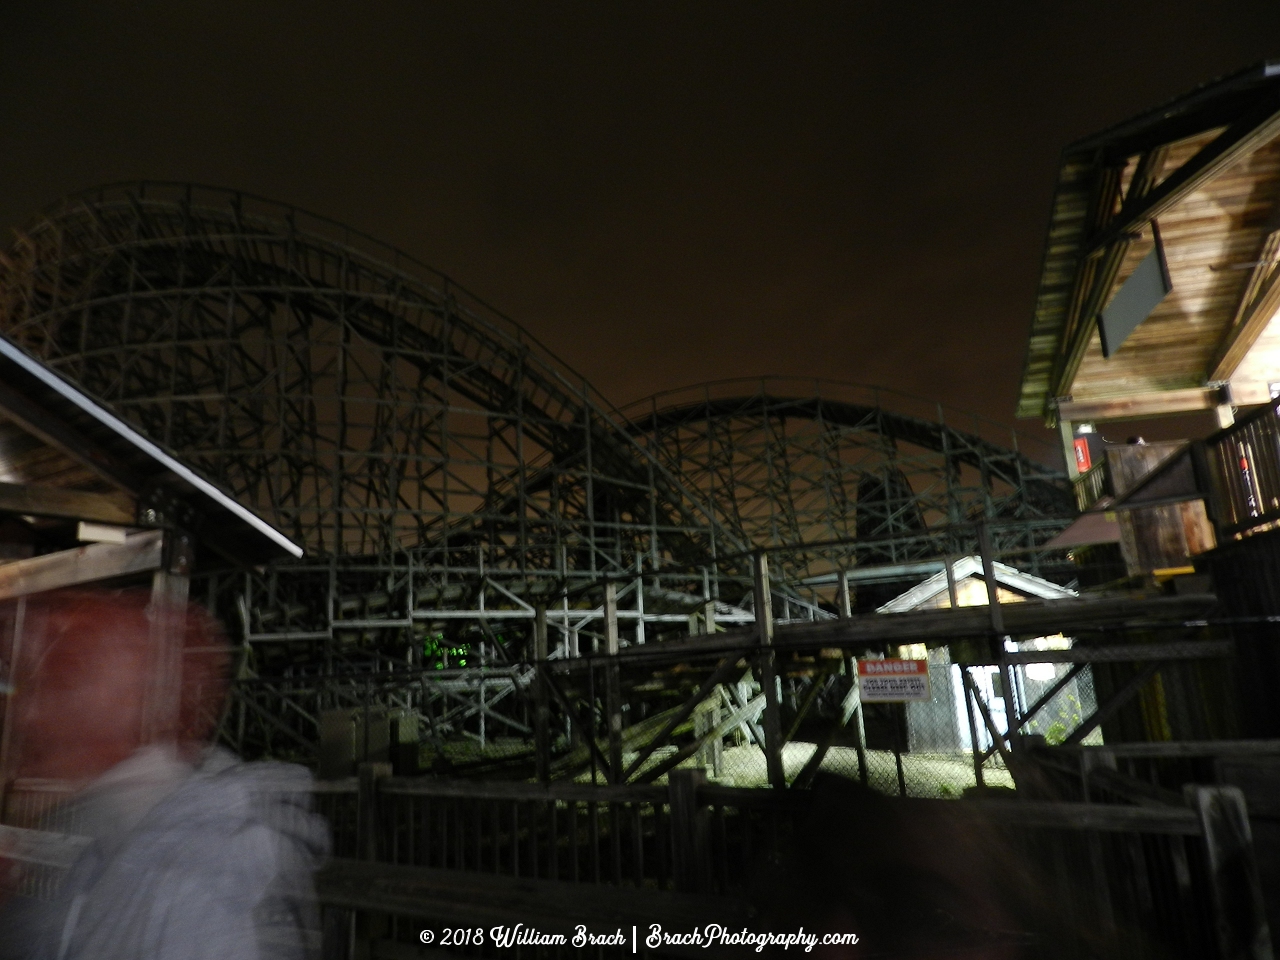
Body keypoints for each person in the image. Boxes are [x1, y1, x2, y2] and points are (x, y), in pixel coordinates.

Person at [0, 589, 329, 960]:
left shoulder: (207, 871)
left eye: (63, 679)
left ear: (130, 702)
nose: (28, 714)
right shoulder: (88, 825)